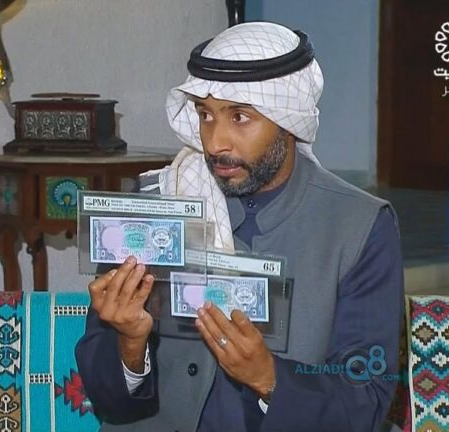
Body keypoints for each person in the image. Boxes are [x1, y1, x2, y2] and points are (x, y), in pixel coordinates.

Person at [75, 21, 404, 432]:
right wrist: (128, 344)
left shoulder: (360, 226)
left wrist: (269, 378)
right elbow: (108, 403)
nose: (216, 143)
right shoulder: (156, 204)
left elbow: (366, 400)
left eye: (240, 117)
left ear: (288, 120)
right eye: (206, 115)